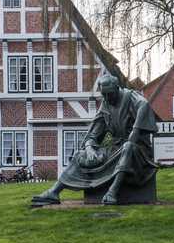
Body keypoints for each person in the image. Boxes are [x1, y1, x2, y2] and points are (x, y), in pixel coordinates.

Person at [32, 75, 157, 206]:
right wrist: (89, 149)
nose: (107, 98)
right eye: (104, 95)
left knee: (128, 147)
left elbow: (143, 105)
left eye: (110, 94)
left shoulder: (130, 97)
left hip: (139, 150)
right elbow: (93, 135)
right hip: (116, 147)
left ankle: (112, 192)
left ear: (117, 88)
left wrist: (135, 130)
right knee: (80, 155)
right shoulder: (106, 105)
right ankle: (54, 192)